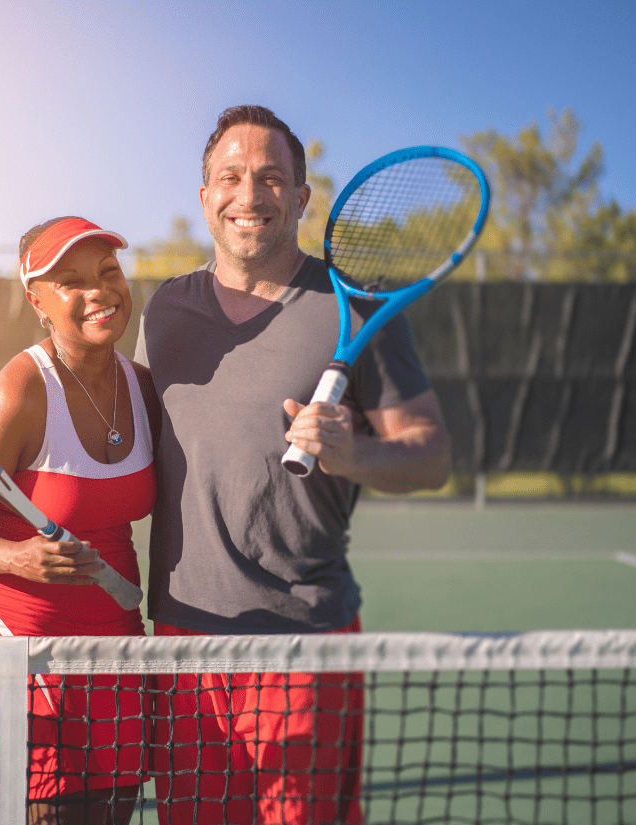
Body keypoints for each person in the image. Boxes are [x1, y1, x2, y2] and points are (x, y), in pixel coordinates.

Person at [133, 105, 452, 824]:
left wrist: (354, 452)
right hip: (183, 643)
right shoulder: (164, 310)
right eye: (231, 177)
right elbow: (128, 436)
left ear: (302, 198)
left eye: (271, 178)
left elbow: (430, 453)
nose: (249, 196)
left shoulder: (361, 308)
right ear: (204, 194)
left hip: (303, 642)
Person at [0, 216, 160, 825]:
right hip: (21, 636)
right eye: (71, 282)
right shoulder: (21, 389)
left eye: (108, 272)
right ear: (38, 301)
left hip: (116, 629)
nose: (98, 291)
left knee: (115, 804)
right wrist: (19, 557)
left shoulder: (143, 387)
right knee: (55, 814)